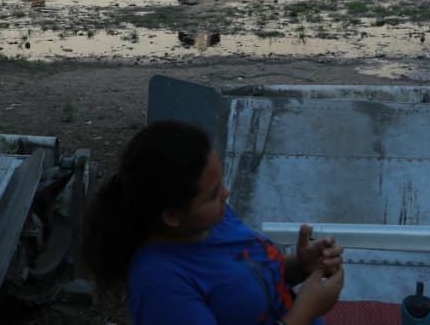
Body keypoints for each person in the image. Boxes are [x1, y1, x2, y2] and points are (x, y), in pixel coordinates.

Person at [81, 120, 344, 324]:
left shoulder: (211, 220)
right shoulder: (160, 284)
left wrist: (301, 265)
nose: (226, 193)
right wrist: (306, 311)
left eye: (220, 183)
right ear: (172, 216)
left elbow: (246, 281)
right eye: (213, 193)